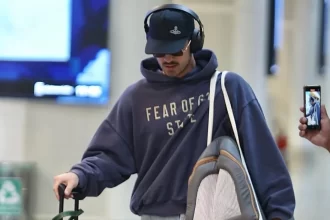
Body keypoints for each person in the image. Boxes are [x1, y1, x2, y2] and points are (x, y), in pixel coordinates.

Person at [53, 4, 295, 220]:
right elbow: (110, 156)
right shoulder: (135, 99)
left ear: (194, 43)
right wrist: (79, 176)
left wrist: (280, 214)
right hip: (152, 214)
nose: (167, 58)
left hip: (210, 212)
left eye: (176, 50)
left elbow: (264, 158)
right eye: (159, 51)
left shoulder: (228, 89)